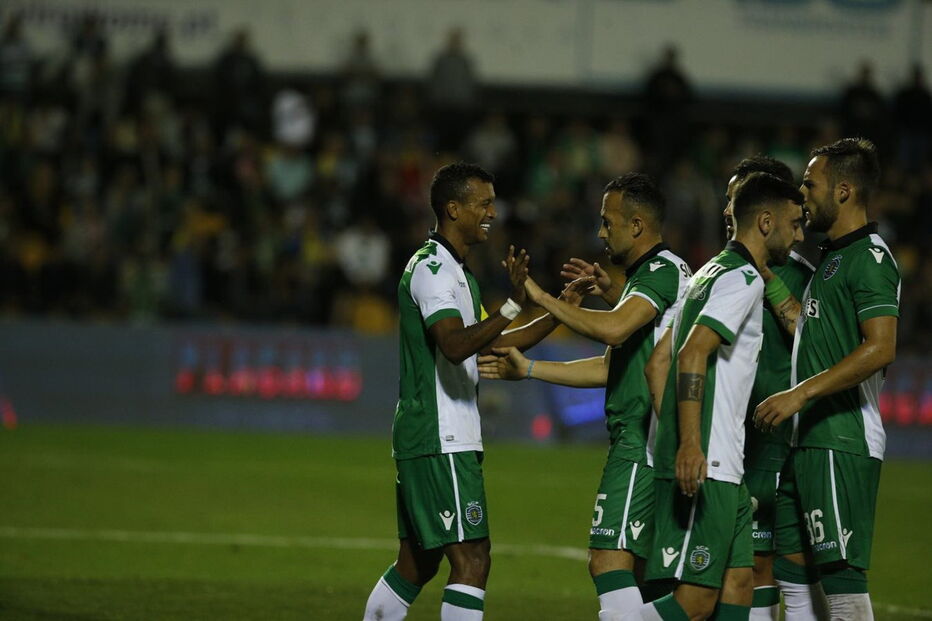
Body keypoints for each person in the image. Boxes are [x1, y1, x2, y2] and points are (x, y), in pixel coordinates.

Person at [362, 162, 588, 621]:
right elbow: (453, 345)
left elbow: (495, 341)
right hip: (439, 435)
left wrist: (561, 311)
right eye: (482, 202)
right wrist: (511, 305)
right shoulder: (431, 270)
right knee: (473, 559)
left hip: (441, 435)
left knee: (418, 562)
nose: (491, 211)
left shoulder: (460, 274)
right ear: (453, 208)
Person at [478, 173, 692, 620]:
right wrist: (531, 368)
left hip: (644, 442)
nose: (600, 233)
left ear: (636, 225)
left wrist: (541, 297)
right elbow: (610, 366)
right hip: (648, 439)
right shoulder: (647, 281)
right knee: (651, 579)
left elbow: (612, 330)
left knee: (608, 561)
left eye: (606, 221)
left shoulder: (662, 270)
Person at [635, 172, 805, 620]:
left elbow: (658, 362)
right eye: (794, 223)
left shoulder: (709, 271)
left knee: (739, 583)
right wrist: (690, 443)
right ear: (765, 222)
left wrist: (674, 432)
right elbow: (691, 355)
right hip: (709, 459)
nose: (799, 234)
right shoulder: (743, 278)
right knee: (696, 601)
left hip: (726, 460)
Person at [755, 138, 900, 620]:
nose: (802, 194)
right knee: (794, 582)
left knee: (841, 583)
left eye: (810, 184)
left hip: (840, 439)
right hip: (808, 442)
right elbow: (806, 329)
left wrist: (801, 392)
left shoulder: (870, 258)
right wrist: (767, 275)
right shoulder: (833, 260)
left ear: (842, 190)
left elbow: (881, 348)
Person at [723, 157, 819, 621]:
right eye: (729, 199)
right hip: (732, 440)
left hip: (779, 445)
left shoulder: (798, 273)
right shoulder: (721, 269)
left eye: (737, 197)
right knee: (741, 567)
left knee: (787, 567)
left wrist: (769, 280)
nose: (728, 209)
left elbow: (815, 344)